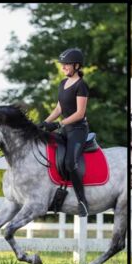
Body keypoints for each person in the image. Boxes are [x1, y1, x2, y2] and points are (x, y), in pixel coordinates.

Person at [41, 47, 89, 217]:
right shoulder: (63, 83)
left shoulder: (81, 86)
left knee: (70, 162)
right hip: (64, 129)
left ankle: (82, 200)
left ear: (76, 65)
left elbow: (79, 113)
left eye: (66, 65)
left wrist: (58, 124)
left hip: (77, 130)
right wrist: (46, 122)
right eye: (62, 65)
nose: (63, 68)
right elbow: (59, 107)